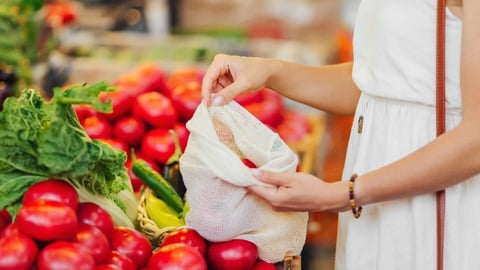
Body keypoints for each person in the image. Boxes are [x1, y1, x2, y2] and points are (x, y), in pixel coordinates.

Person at [200, 0, 479, 269]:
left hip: (431, 207)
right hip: (374, 203)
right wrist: (269, 71)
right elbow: (377, 87)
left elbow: (475, 139)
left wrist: (342, 194)